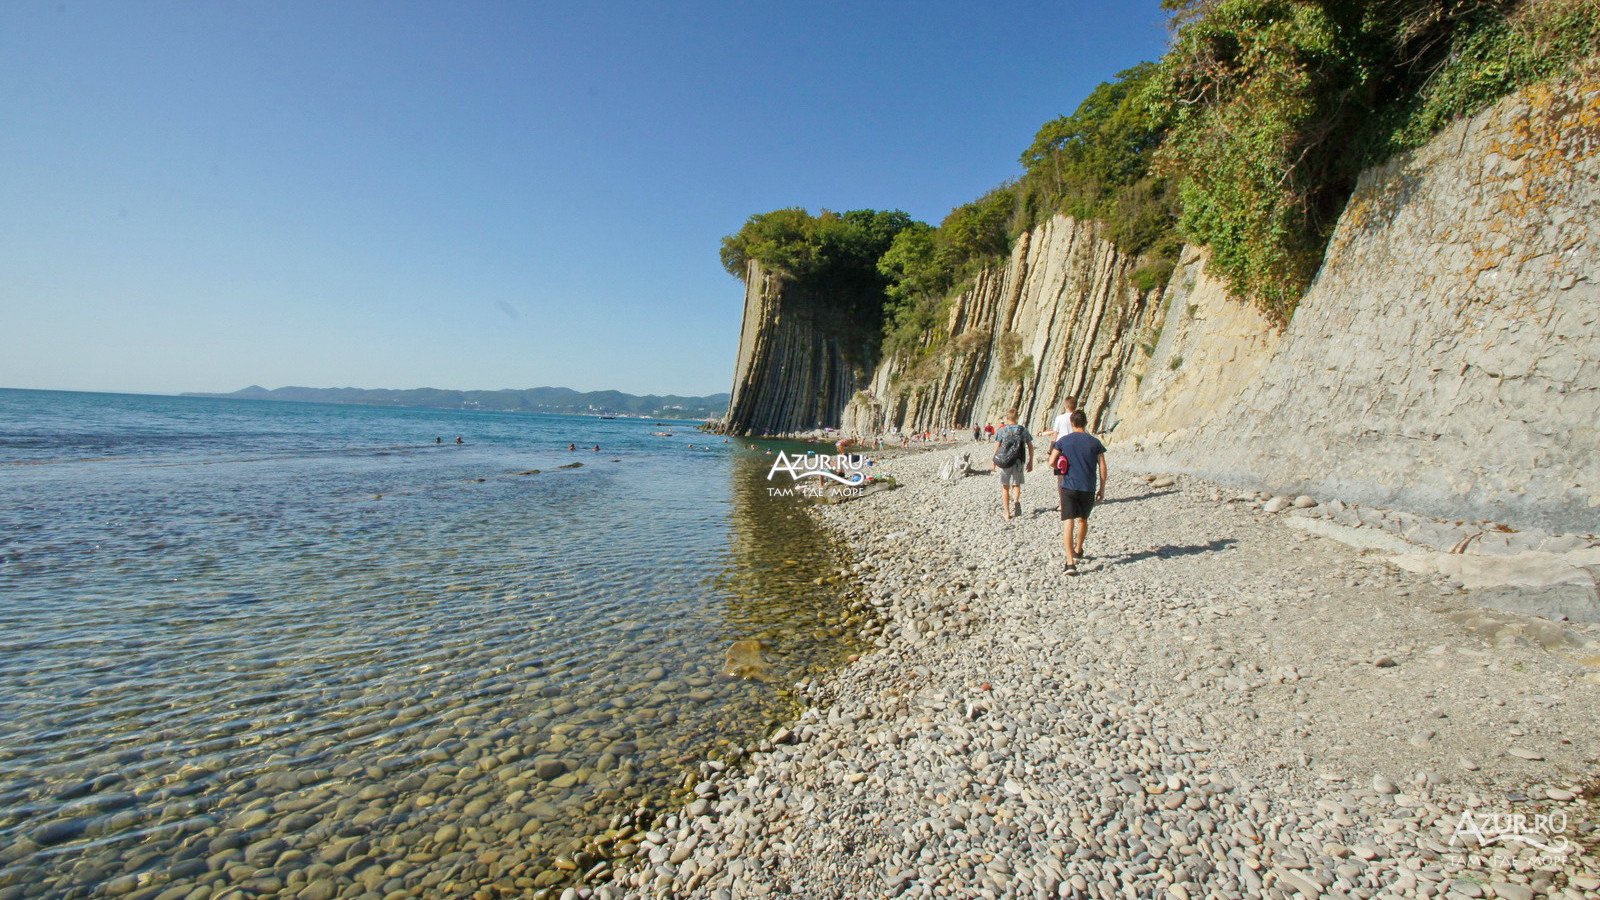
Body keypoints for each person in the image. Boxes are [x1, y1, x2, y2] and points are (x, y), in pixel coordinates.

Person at [1046, 410, 1106, 576]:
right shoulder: (1095, 443)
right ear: (1085, 423)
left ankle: (1070, 562)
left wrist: (1062, 467)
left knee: (1068, 521)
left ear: (1072, 423)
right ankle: (1078, 549)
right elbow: (1102, 466)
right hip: (1088, 487)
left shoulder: (1064, 440)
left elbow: (1051, 462)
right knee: (1083, 519)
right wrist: (1102, 488)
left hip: (1069, 486)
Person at [990, 408, 1034, 522]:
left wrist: (994, 462)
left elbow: (997, 447)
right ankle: (1016, 501)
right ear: (1017, 418)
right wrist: (1030, 462)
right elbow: (1030, 446)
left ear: (1007, 418)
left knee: (1005, 486)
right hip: (1019, 460)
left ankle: (1007, 512)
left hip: (1005, 461)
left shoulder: (1002, 430)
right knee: (1016, 484)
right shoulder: (1023, 430)